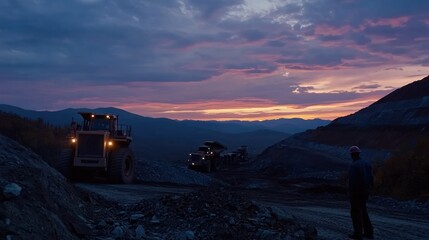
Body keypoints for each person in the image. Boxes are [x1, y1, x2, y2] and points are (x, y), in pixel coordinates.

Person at [348, 146, 374, 240]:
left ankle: (357, 234)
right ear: (359, 153)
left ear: (351, 155)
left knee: (355, 212)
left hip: (356, 193)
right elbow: (371, 178)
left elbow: (352, 182)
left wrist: (351, 194)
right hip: (365, 192)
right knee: (364, 211)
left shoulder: (353, 165)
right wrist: (369, 190)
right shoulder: (367, 163)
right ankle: (369, 233)